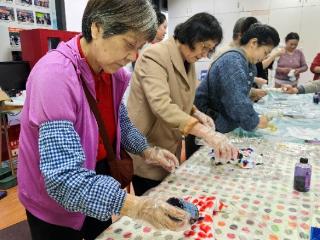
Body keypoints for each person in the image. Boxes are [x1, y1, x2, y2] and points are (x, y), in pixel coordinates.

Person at [17, 1, 190, 240]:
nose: (133, 56)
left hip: (97, 178)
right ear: (97, 28)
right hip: (53, 200)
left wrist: (149, 151)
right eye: (129, 44)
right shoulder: (55, 75)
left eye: (139, 47)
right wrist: (138, 207)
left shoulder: (113, 74)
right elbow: (62, 178)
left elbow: (120, 123)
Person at [127, 12, 238, 196]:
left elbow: (180, 97)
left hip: (171, 144)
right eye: (204, 47)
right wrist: (206, 133)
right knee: (151, 204)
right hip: (149, 146)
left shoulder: (187, 59)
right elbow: (162, 104)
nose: (204, 54)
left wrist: (196, 113)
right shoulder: (154, 56)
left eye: (209, 50)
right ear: (192, 36)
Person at [194, 23, 280, 134]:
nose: (264, 57)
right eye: (265, 52)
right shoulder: (233, 61)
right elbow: (236, 101)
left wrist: (251, 92)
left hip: (220, 120)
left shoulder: (249, 64)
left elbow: (231, 90)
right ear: (253, 43)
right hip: (208, 122)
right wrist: (255, 121)